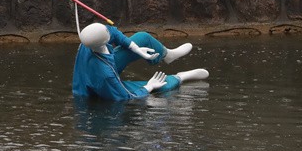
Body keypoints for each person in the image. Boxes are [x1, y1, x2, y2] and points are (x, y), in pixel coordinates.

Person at [72, 22, 209, 101]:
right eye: (107, 33)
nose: (109, 30)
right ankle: (180, 77)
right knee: (162, 85)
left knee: (143, 37)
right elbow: (126, 96)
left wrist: (137, 49)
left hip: (98, 65)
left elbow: (113, 32)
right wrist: (149, 86)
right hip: (97, 90)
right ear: (104, 41)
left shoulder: (89, 41)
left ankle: (168, 55)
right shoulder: (106, 74)